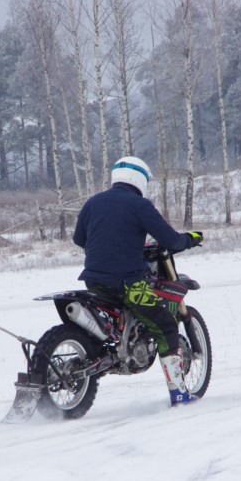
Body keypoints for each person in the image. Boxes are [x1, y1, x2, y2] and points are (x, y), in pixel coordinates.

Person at [72, 156, 204, 406]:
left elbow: (79, 239)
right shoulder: (139, 205)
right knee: (166, 325)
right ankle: (179, 393)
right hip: (128, 284)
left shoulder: (93, 202)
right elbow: (171, 240)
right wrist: (191, 238)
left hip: (93, 281)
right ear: (139, 179)